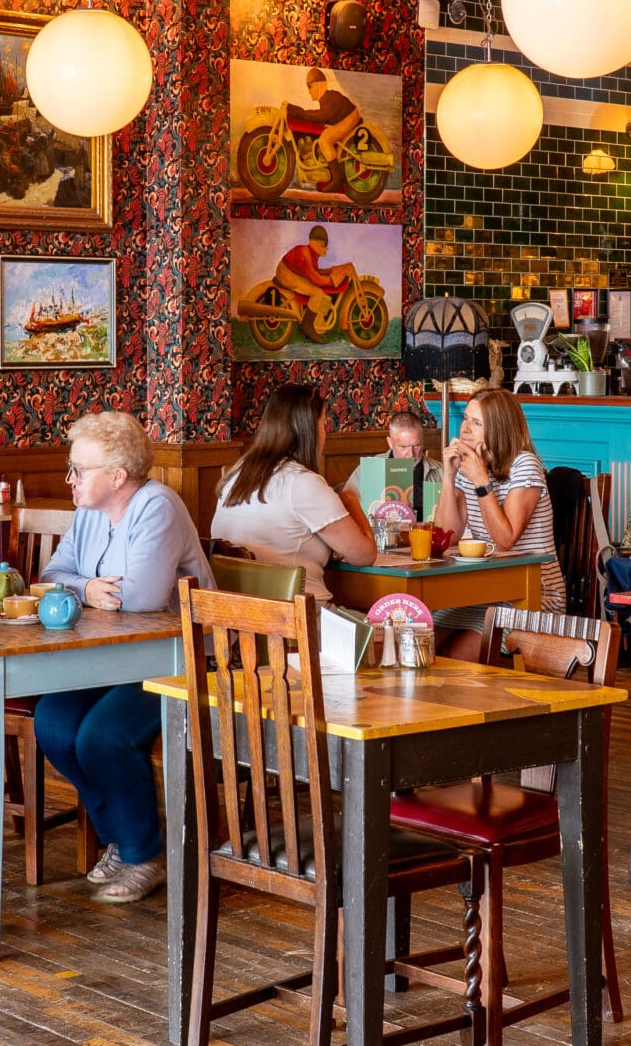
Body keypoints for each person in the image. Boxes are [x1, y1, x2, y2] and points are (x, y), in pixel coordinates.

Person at [36, 411, 214, 904]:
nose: (69, 479)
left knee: (103, 735)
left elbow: (141, 597)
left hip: (177, 659)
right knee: (51, 723)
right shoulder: (89, 510)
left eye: (79, 469)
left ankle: (144, 853)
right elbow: (52, 571)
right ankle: (121, 834)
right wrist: (89, 588)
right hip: (111, 654)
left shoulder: (158, 505)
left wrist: (86, 589)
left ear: (117, 477)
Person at [428, 388, 564, 658]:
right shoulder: (470, 466)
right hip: (484, 592)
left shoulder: (524, 465)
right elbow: (447, 535)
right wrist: (449, 475)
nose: (464, 428)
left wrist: (481, 480)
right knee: (421, 642)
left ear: (499, 429)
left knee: (454, 657)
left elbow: (506, 538)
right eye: (466, 419)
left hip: (533, 596)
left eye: (476, 423)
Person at [210, 384, 378, 595]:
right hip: (297, 620)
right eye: (323, 424)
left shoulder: (236, 474)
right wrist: (350, 497)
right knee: (391, 626)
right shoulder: (302, 483)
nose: (324, 432)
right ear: (310, 429)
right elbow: (364, 555)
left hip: (239, 618)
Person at [270, 224, 353, 322]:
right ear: (318, 244)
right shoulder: (306, 254)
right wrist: (335, 279)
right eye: (325, 244)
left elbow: (315, 271)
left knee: (318, 292)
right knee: (317, 293)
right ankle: (307, 326)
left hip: (288, 271)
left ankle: (318, 318)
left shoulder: (311, 253)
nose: (327, 248)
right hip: (286, 274)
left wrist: (333, 270)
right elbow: (317, 279)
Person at [284, 65, 363, 166]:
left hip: (349, 118)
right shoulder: (326, 99)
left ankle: (337, 176)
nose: (309, 92)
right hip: (345, 118)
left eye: (310, 87)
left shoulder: (329, 98)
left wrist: (299, 112)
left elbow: (321, 116)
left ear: (320, 85)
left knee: (325, 140)